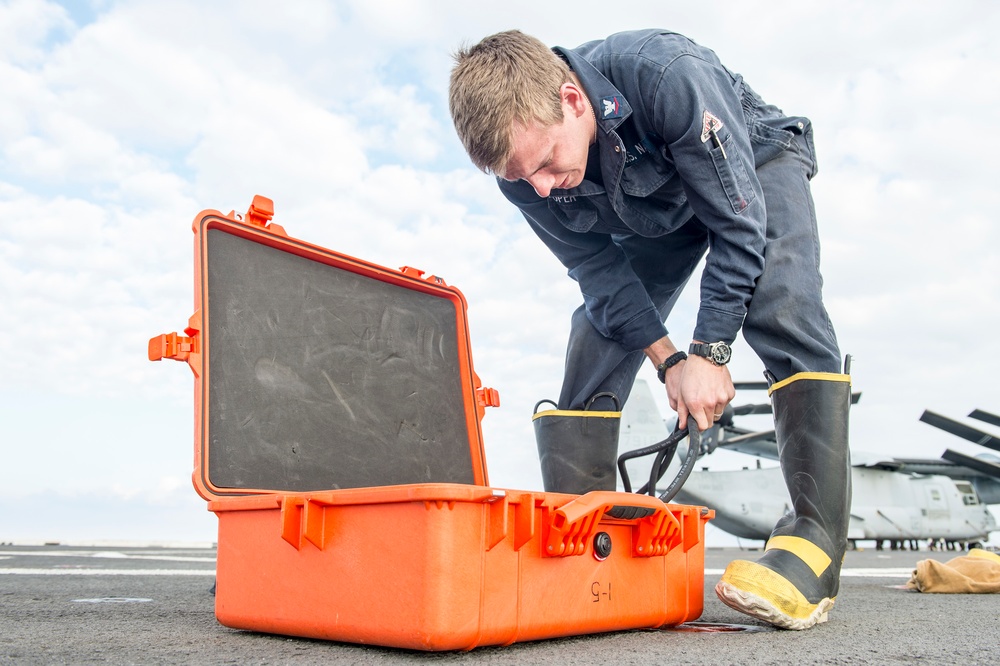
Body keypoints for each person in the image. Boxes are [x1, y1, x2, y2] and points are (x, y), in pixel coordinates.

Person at [449, 29, 851, 631]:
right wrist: (669, 362)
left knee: (780, 302)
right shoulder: (524, 172)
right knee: (598, 336)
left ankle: (814, 543)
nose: (539, 187)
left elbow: (738, 228)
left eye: (546, 164)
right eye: (520, 177)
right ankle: (579, 544)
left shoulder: (667, 76)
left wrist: (709, 354)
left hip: (752, 163)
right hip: (658, 207)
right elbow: (597, 272)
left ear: (573, 100)